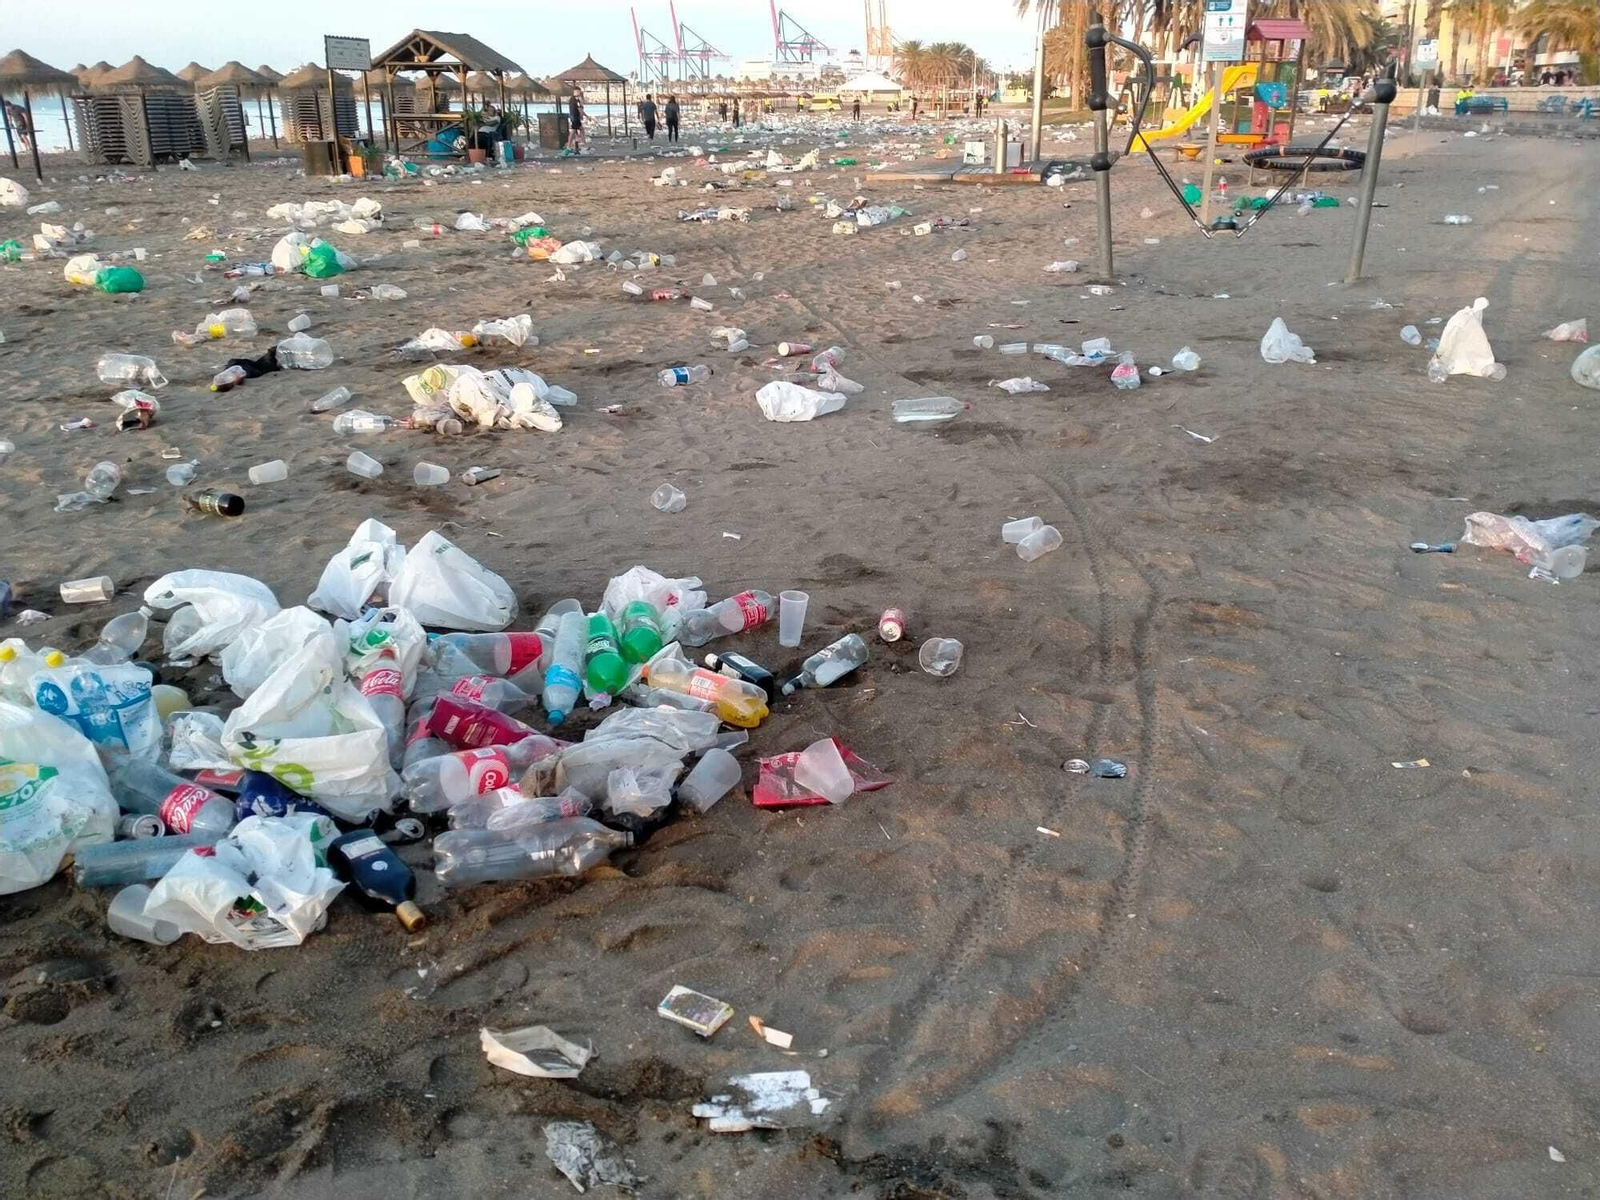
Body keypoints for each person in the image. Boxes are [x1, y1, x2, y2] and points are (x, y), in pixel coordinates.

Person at [567, 87, 586, 154]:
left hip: (575, 117)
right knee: (573, 132)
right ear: (574, 92)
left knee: (581, 130)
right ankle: (569, 146)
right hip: (575, 118)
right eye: (578, 92)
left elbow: (580, 109)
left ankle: (583, 144)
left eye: (579, 92)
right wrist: (586, 116)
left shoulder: (574, 99)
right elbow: (580, 109)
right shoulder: (574, 99)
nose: (579, 93)